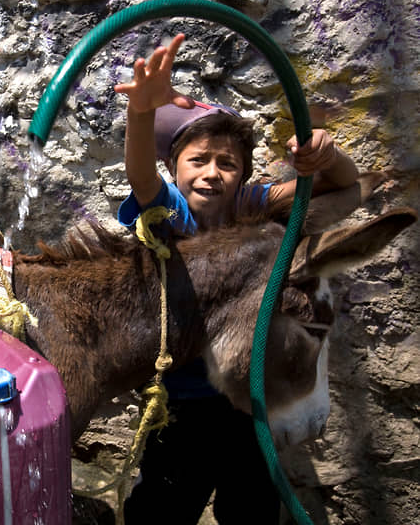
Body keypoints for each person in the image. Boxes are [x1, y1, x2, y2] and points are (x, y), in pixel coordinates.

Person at [112, 33, 359, 524]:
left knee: (253, 510)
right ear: (173, 169)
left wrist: (325, 158)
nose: (211, 173)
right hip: (181, 403)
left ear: (244, 175)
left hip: (250, 401)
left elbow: (347, 190)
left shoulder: (254, 206)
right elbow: (139, 176)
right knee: (160, 510)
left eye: (227, 163)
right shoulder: (172, 213)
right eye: (197, 160)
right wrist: (141, 113)